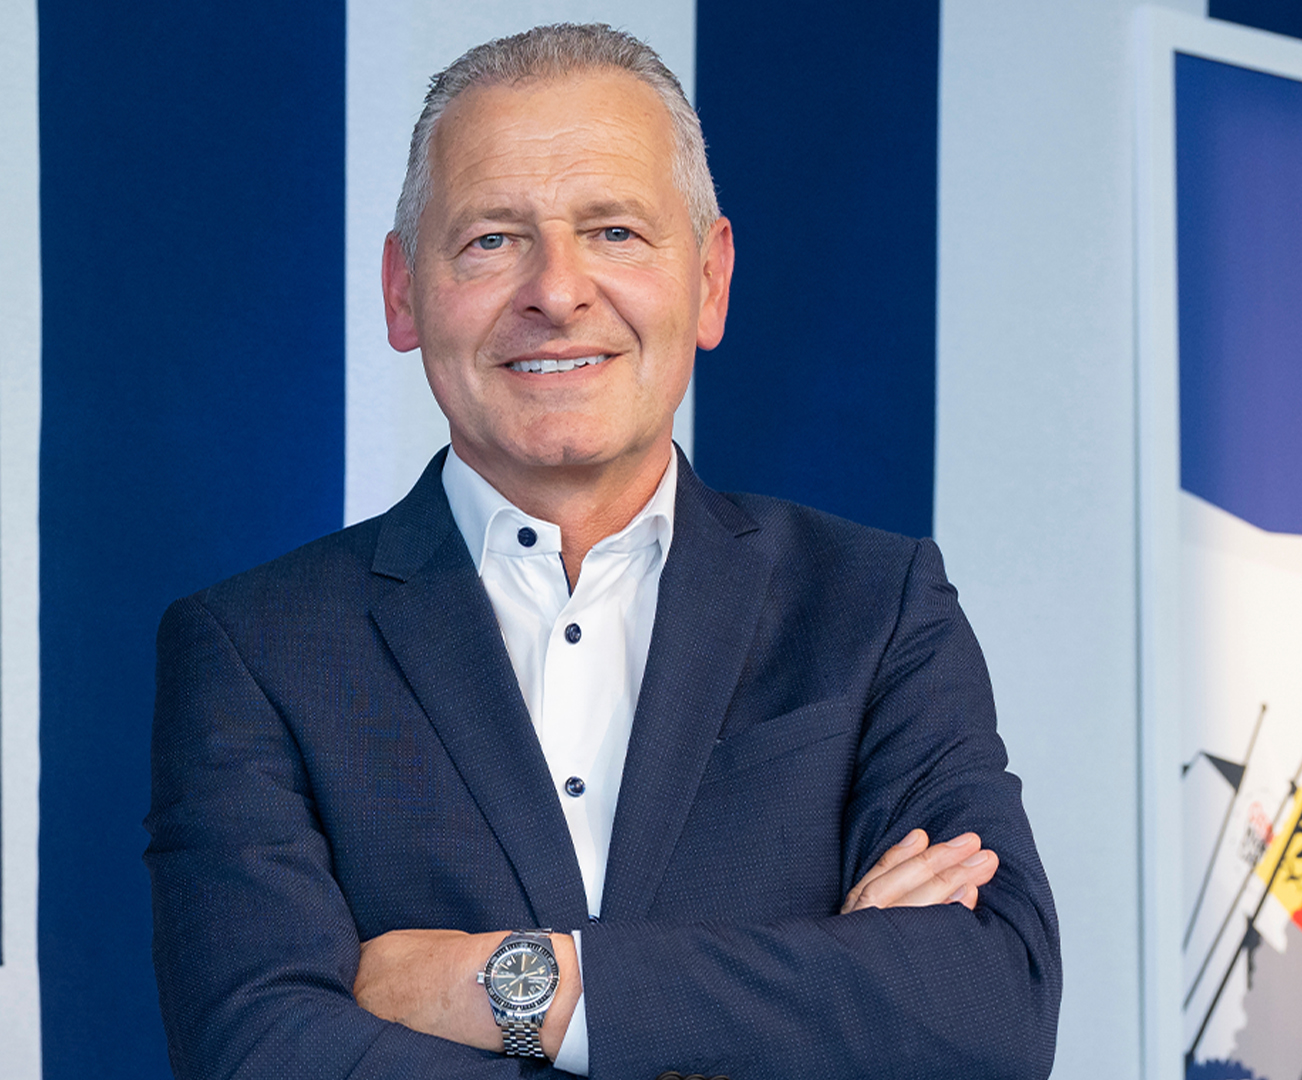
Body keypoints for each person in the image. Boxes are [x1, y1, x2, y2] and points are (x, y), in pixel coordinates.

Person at [145, 23, 1060, 1080]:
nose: (558, 291)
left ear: (709, 279)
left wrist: (512, 985)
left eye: (616, 231)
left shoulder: (876, 607)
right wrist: (825, 988)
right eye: (492, 239)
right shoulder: (254, 649)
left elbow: (991, 1009)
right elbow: (260, 1051)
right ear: (403, 292)